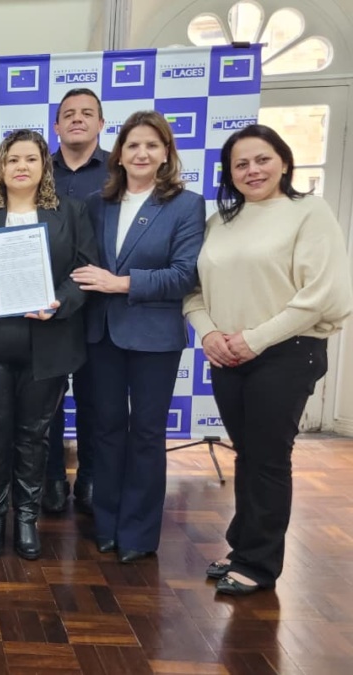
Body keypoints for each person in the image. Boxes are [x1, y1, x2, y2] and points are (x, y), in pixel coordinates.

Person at [183, 124, 353, 595]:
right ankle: (243, 547)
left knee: (269, 459)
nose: (252, 170)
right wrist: (209, 333)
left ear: (283, 161)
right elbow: (194, 291)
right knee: (250, 455)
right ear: (229, 173)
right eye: (241, 164)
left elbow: (322, 295)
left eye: (262, 159)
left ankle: (259, 565)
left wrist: (255, 339)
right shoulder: (221, 221)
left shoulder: (308, 212)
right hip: (228, 354)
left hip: (287, 352)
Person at [0, 129, 97, 560]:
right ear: (0, 168)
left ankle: (26, 518)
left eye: (31, 158)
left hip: (46, 344)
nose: (21, 166)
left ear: (44, 165)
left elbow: (84, 273)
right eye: (12, 160)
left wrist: (59, 301)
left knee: (33, 437)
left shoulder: (70, 212)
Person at [70, 111, 205, 563]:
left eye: (151, 145)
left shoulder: (186, 205)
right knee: (105, 431)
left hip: (153, 337)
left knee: (146, 434)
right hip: (102, 334)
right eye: (132, 145)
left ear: (166, 152)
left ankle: (140, 533)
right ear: (119, 154)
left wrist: (121, 283)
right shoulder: (98, 202)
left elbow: (185, 275)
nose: (142, 153)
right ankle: (106, 524)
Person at [45, 88, 110, 514]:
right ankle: (49, 480)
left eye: (87, 113)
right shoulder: (36, 168)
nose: (77, 120)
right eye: (68, 114)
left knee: (95, 401)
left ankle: (88, 479)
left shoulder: (117, 171)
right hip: (42, 308)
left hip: (99, 306)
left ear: (102, 124)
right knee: (45, 405)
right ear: (57, 126)